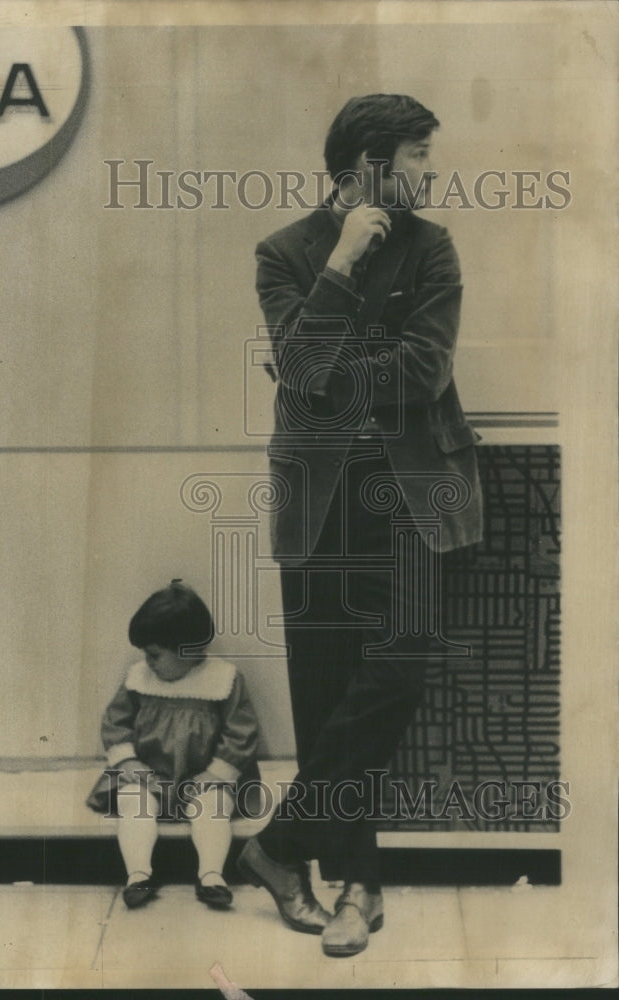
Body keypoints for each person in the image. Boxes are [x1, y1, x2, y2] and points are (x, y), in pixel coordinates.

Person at [237, 94, 483, 957]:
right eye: (419, 155)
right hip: (319, 498)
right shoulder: (284, 252)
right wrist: (341, 263)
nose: (430, 171)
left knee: (394, 674)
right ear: (371, 164)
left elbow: (422, 371)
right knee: (324, 691)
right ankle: (350, 885)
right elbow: (301, 368)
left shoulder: (433, 245)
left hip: (412, 493)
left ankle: (276, 847)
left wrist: (319, 364)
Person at [87, 580, 261, 909]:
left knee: (213, 808)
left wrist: (216, 773)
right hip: (151, 777)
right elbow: (115, 722)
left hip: (203, 779)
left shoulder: (224, 680)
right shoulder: (140, 679)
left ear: (188, 650)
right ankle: (138, 874)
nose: (149, 662)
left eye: (155, 655)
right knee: (132, 801)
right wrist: (129, 764)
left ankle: (211, 876)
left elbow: (242, 731)